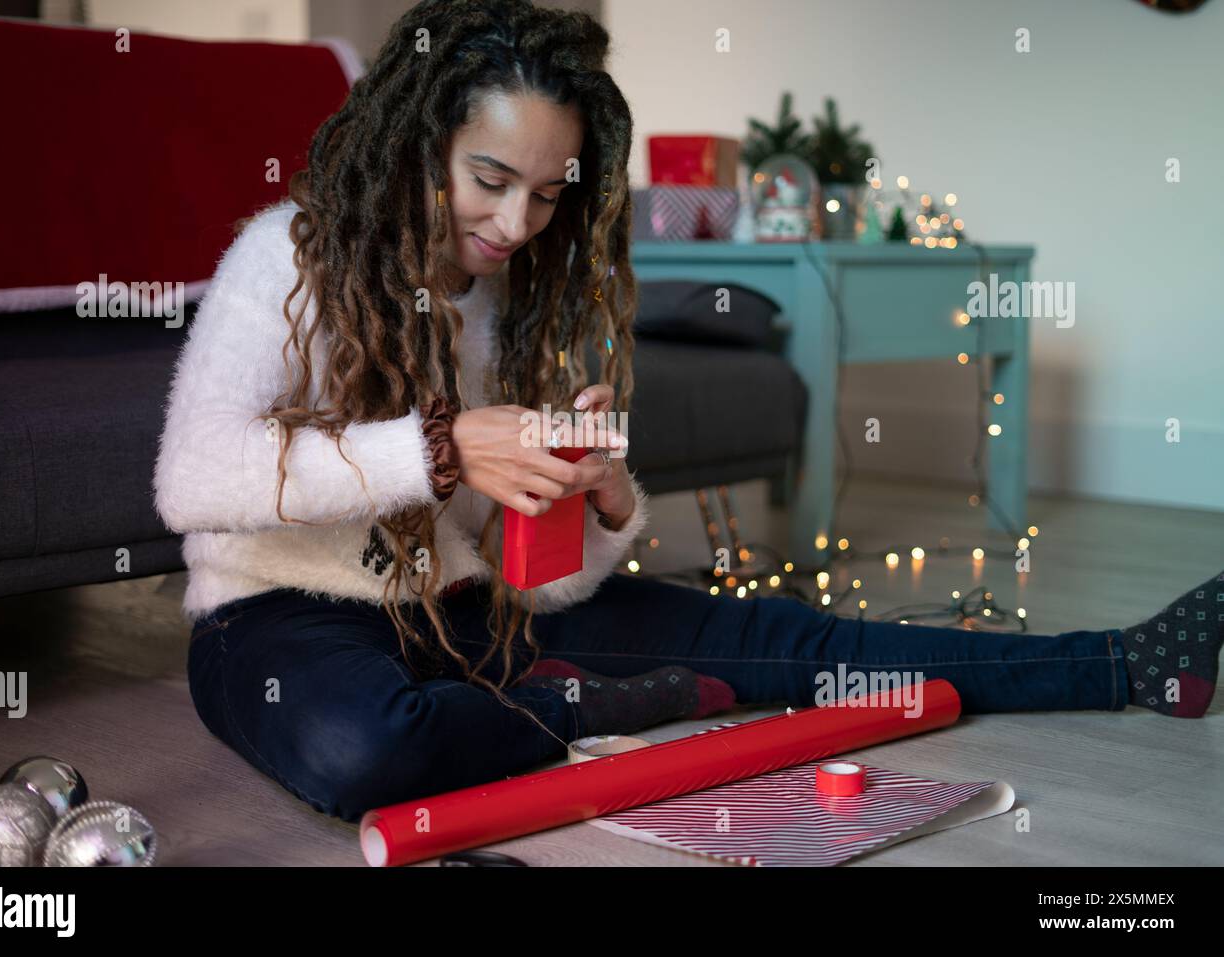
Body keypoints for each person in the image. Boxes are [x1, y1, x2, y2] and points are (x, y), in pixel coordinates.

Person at [153, 0, 1221, 824]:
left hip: (471, 615)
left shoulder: (500, 304)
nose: (517, 221)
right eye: (487, 178)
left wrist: (600, 500)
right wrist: (442, 447)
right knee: (365, 752)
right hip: (281, 616)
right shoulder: (283, 257)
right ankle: (598, 707)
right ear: (415, 140)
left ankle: (1124, 663)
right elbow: (192, 478)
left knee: (782, 637)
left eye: (546, 192)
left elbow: (533, 571)